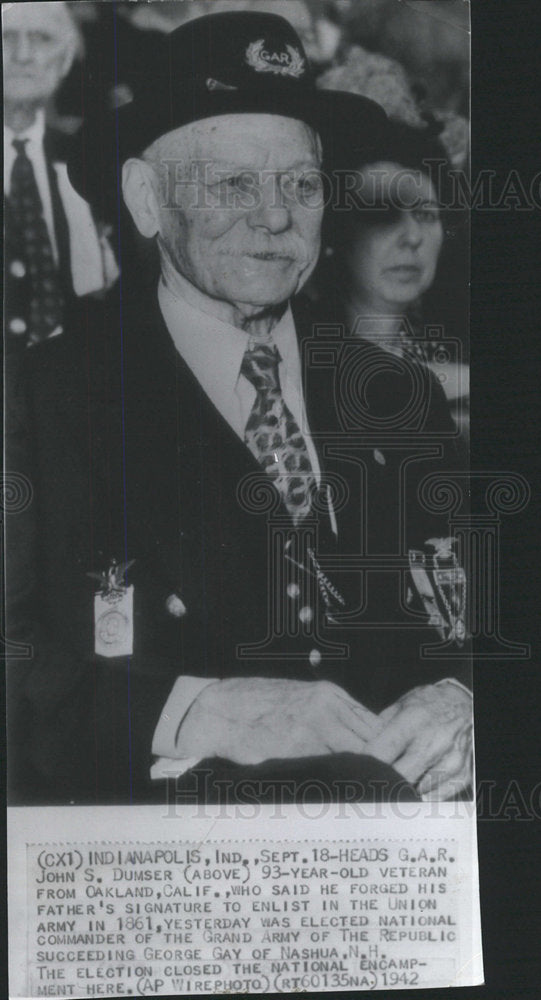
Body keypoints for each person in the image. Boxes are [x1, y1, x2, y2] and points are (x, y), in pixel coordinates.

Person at [7, 11, 472, 805]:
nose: (277, 216)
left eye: (301, 183)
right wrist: (193, 710)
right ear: (146, 200)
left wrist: (464, 698)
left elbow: (478, 615)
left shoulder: (397, 394)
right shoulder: (44, 401)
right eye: (233, 184)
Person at [313, 119, 469, 441]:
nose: (412, 237)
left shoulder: (444, 358)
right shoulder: (301, 365)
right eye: (382, 214)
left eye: (426, 215)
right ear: (334, 231)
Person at [2, 1, 118, 352]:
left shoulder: (92, 159)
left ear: (65, 59)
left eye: (40, 38)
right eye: (5, 37)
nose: (23, 55)